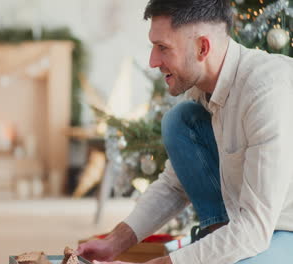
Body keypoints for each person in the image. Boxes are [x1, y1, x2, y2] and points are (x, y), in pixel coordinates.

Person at [77, 0, 293, 263]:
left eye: (163, 48)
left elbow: (254, 230)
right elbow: (175, 183)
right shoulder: (203, 92)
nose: (153, 61)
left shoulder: (266, 93)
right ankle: (219, 237)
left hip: (280, 228)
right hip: (253, 227)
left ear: (203, 47)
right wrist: (114, 242)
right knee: (178, 120)